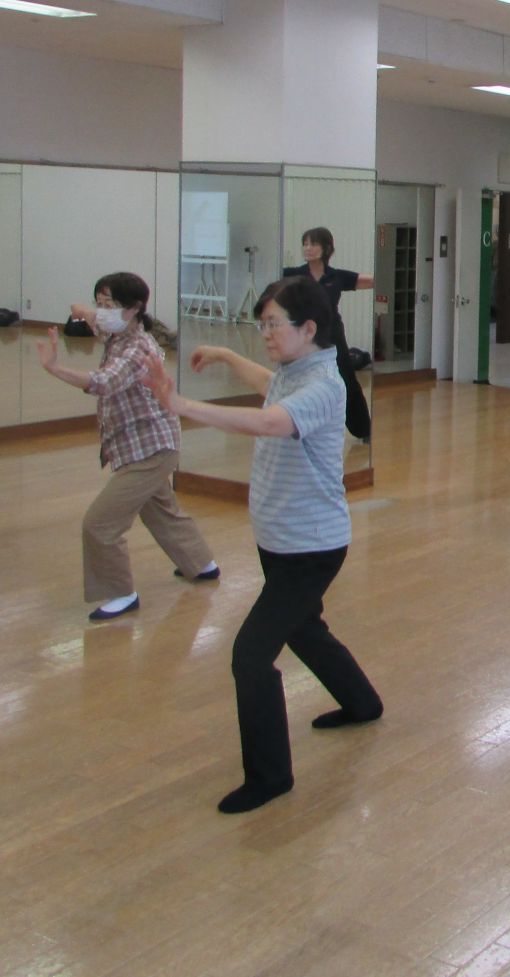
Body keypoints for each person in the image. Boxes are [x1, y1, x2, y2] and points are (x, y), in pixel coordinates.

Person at [142, 276, 384, 814]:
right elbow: (268, 388)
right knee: (303, 628)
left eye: (274, 325)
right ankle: (363, 703)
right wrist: (229, 355)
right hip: (279, 540)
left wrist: (183, 405)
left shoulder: (325, 386)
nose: (266, 335)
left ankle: (271, 776)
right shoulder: (294, 371)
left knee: (251, 655)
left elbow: (272, 420)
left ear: (309, 328)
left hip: (311, 547)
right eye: (263, 325)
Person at [38, 272, 217, 622]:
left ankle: (120, 593)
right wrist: (85, 309)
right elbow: (96, 322)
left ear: (134, 309)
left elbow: (103, 383)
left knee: (99, 524)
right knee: (160, 509)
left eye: (110, 305)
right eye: (100, 303)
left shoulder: (138, 348)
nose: (101, 311)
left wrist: (55, 368)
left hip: (151, 449)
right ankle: (202, 565)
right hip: (136, 446)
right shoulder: (119, 333)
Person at [283, 226, 373, 441]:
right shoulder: (294, 275)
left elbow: (369, 280)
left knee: (347, 380)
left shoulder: (336, 276)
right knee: (302, 380)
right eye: (305, 244)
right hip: (305, 337)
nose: (308, 248)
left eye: (313, 244)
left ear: (326, 248)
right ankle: (300, 428)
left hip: (333, 335)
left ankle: (363, 429)